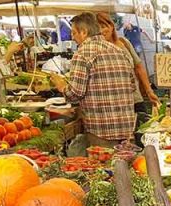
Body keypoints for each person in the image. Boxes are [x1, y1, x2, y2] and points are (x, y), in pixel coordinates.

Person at [51, 13, 137, 155]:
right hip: (127, 128)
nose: (72, 37)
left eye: (74, 32)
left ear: (84, 32)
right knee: (125, 172)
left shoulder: (82, 53)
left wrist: (61, 85)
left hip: (101, 130)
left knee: (105, 172)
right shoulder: (119, 51)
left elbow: (75, 93)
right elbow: (132, 86)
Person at [96, 12, 159, 122]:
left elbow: (138, 67)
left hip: (135, 98)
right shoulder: (96, 49)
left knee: (142, 129)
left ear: (111, 26)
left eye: (104, 26)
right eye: (98, 28)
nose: (101, 31)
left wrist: (149, 91)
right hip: (113, 104)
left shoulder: (124, 43)